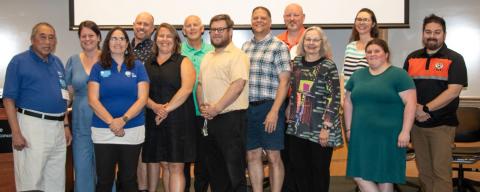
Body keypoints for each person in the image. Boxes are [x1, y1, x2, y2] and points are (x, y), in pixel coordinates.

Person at [3, 22, 72, 192]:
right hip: (32, 126)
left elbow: (63, 97)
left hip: (57, 128)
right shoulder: (19, 61)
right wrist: (16, 133)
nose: (47, 42)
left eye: (51, 38)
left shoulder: (57, 62)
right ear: (32, 39)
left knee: (56, 181)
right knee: (31, 181)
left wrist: (65, 125)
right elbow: (8, 99)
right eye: (43, 37)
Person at [403, 14, 468, 192]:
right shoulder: (411, 58)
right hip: (417, 125)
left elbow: (453, 91)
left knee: (441, 173)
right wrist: (415, 110)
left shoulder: (455, 59)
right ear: (423, 34)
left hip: (442, 126)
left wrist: (425, 109)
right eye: (428, 31)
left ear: (444, 34)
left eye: (437, 32)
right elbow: (405, 90)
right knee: (424, 173)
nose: (432, 35)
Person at [344, 38, 416, 191]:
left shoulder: (399, 75)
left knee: (386, 177)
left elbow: (411, 104)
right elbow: (348, 101)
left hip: (389, 136)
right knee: (359, 175)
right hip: (361, 134)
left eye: (377, 51)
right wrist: (349, 129)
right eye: (369, 52)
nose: (372, 54)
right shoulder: (358, 75)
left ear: (386, 54)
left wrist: (405, 131)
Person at [88, 27, 149, 192]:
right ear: (108, 43)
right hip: (103, 130)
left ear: (127, 43)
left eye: (122, 39)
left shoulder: (137, 66)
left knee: (128, 179)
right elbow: (93, 100)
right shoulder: (98, 67)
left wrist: (122, 120)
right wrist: (112, 122)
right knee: (104, 180)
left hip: (132, 128)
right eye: (114, 39)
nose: (118, 42)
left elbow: (142, 98)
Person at [285, 26, 342, 192]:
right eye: (308, 39)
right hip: (297, 126)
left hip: (320, 127)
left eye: (315, 40)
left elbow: (334, 98)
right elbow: (294, 89)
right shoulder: (295, 63)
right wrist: (289, 106)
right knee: (299, 170)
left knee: (319, 171)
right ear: (302, 42)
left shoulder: (328, 65)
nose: (311, 43)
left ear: (322, 43)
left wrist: (326, 127)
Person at [197, 14, 250, 192]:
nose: (216, 33)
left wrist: (216, 108)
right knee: (216, 171)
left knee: (235, 172)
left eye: (221, 29)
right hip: (210, 119)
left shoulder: (237, 56)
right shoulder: (208, 56)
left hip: (231, 119)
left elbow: (238, 85)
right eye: (213, 30)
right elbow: (200, 85)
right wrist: (203, 106)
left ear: (230, 32)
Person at [142, 22, 196, 192]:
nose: (164, 39)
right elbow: (142, 93)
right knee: (164, 165)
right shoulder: (147, 64)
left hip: (178, 119)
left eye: (168, 36)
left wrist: (165, 109)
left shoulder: (183, 61)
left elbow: (186, 89)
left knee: (176, 167)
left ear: (175, 40)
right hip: (155, 119)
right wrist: (155, 107)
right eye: (161, 36)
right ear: (155, 39)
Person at [242, 6, 290, 192]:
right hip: (248, 108)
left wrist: (274, 111)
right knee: (252, 155)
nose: (259, 21)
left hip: (269, 106)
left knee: (273, 156)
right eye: (255, 18)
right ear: (251, 22)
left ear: (270, 22)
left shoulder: (278, 46)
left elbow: (284, 82)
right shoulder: (245, 47)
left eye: (263, 18)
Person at [66, 20, 101, 192]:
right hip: (80, 125)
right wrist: (65, 122)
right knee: (82, 170)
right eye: (83, 36)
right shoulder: (72, 61)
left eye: (91, 35)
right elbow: (67, 95)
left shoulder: (109, 60)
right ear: (79, 38)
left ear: (99, 37)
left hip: (105, 123)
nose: (87, 39)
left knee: (104, 171)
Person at [181, 15, 214, 192]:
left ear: (203, 29)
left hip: (206, 112)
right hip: (182, 112)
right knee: (183, 156)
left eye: (196, 25)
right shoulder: (176, 51)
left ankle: (201, 188)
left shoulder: (212, 50)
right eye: (188, 26)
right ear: (183, 30)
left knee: (204, 156)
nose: (192, 28)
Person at [131, 12, 155, 192]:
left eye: (146, 24)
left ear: (152, 29)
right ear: (133, 25)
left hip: (148, 108)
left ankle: (144, 188)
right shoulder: (123, 47)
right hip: (123, 108)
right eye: (139, 23)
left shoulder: (156, 50)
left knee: (144, 153)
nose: (142, 27)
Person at [341, 8, 379, 102]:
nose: (361, 22)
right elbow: (343, 74)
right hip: (347, 99)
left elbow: (379, 75)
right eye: (359, 19)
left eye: (366, 20)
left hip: (366, 98)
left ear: (373, 24)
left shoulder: (377, 46)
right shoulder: (350, 46)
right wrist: (342, 96)